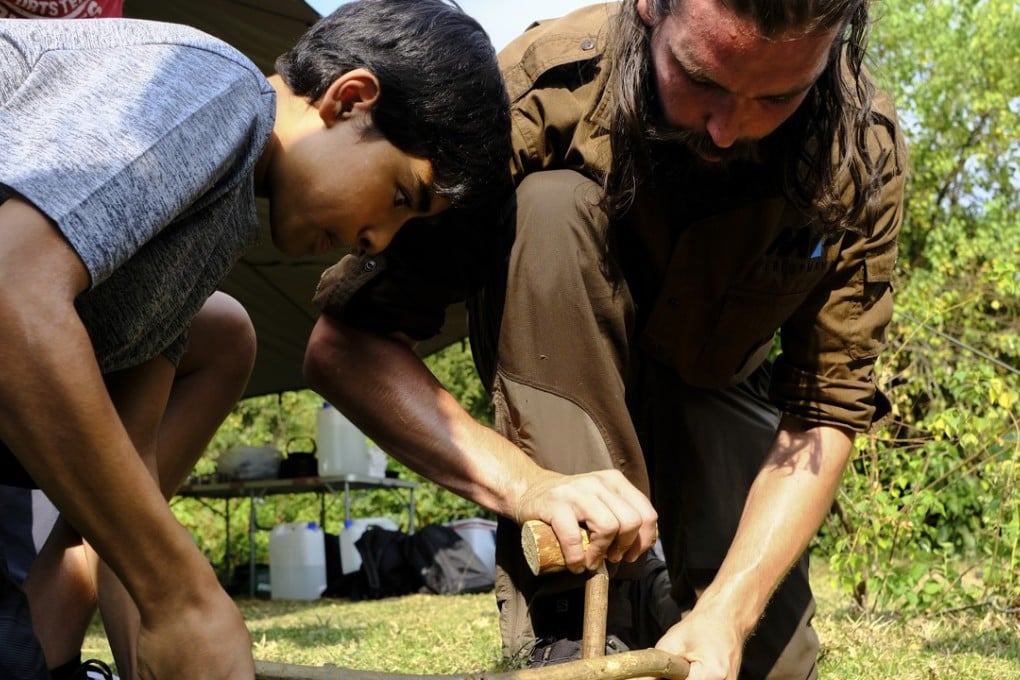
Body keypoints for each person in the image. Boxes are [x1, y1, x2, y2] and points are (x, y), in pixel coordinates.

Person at [304, 0, 907, 678]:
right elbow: (346, 347)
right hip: (560, 383)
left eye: (778, 96)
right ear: (651, 6)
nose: (727, 128)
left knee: (770, 663)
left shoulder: (859, 145)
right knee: (551, 205)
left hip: (719, 390)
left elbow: (824, 408)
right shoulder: (531, 91)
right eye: (700, 78)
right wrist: (525, 486)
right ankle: (572, 625)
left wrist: (730, 611)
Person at [0, 1, 511, 678]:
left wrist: (164, 639)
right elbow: (11, 292)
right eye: (397, 197)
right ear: (349, 100)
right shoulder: (215, 89)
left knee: (224, 333)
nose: (377, 243)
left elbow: (125, 480)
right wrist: (180, 595)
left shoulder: (206, 232)